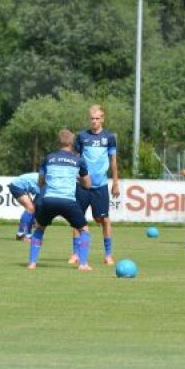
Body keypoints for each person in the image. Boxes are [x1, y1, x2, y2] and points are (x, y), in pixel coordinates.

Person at [28, 129, 93, 271]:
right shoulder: (78, 160)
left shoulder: (48, 158)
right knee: (84, 230)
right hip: (68, 201)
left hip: (49, 200)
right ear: (72, 143)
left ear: (59, 142)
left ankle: (32, 263)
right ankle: (83, 264)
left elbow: (40, 181)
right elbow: (88, 184)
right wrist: (78, 180)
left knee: (39, 228)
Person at [73, 105, 119, 265]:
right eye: (92, 118)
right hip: (83, 185)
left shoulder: (109, 138)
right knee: (77, 219)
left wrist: (115, 183)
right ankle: (76, 253)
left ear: (103, 119)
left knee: (104, 220)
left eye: (97, 118)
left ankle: (108, 255)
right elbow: (75, 159)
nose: (94, 121)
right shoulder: (81, 136)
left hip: (101, 186)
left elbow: (113, 161)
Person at [8, 172, 41, 240]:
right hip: (16, 186)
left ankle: (28, 234)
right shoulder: (47, 184)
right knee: (30, 208)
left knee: (33, 209)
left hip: (21, 186)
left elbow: (37, 203)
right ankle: (20, 234)